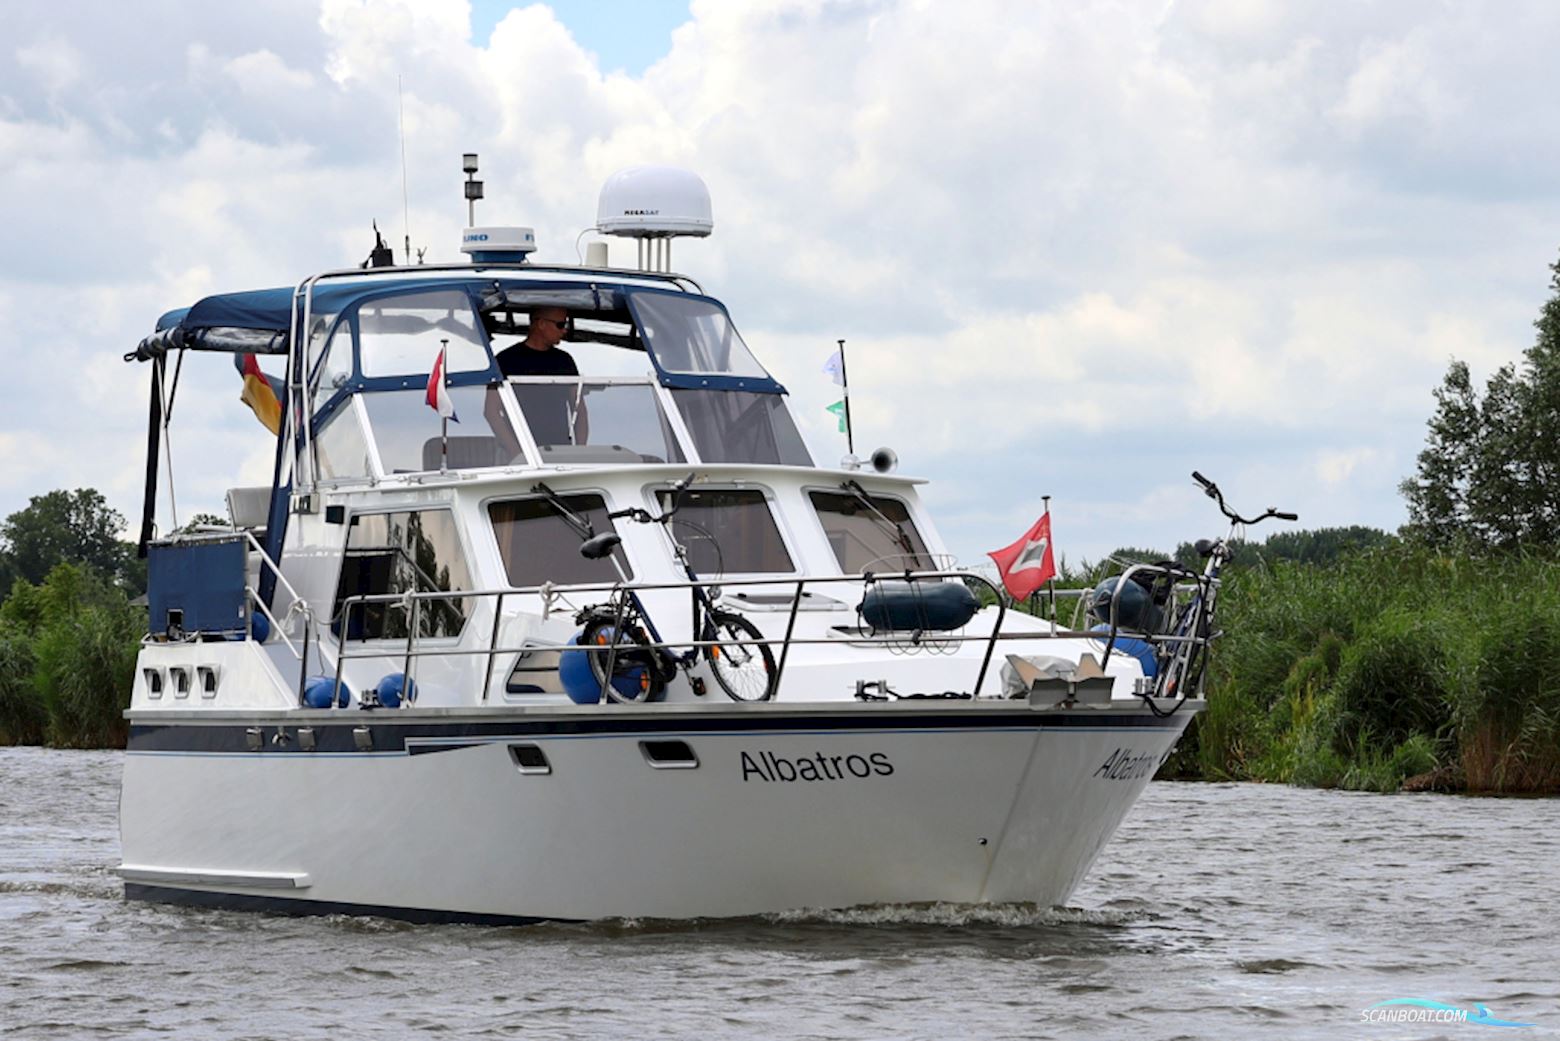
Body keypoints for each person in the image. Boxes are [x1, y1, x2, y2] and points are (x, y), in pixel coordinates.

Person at [497, 307, 588, 447]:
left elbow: (579, 409)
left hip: (560, 450)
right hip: (520, 452)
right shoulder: (506, 359)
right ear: (541, 324)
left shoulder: (565, 360)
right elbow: (491, 411)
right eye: (560, 325)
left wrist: (580, 451)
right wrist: (514, 451)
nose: (564, 330)